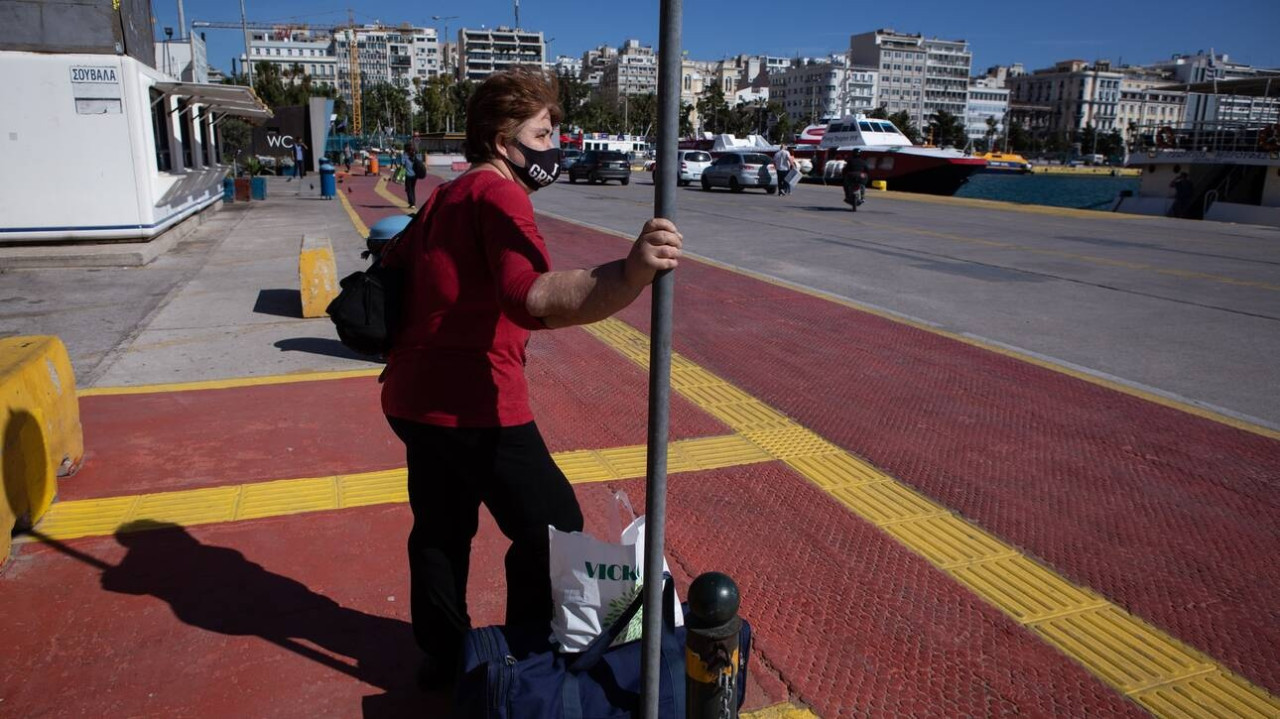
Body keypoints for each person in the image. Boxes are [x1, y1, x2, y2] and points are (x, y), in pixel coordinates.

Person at [378, 66, 683, 691]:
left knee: (441, 527)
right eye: (542, 135)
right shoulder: (499, 194)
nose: (553, 148)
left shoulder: (447, 193)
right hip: (476, 403)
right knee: (553, 528)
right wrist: (628, 274)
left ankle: (442, 656)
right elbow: (530, 296)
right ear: (501, 141)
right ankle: (523, 661)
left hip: (412, 396)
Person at [401, 142, 419, 210]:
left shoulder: (405, 155)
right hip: (415, 175)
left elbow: (402, 164)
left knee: (409, 189)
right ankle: (413, 202)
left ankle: (412, 203)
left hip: (408, 175)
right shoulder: (414, 155)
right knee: (413, 189)